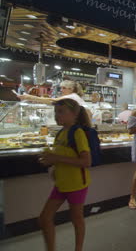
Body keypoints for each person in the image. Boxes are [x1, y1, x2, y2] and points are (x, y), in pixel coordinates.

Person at [38, 98, 91, 251]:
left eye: (61, 112)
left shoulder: (78, 133)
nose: (56, 115)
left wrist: (55, 158)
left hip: (76, 184)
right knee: (44, 218)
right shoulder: (60, 133)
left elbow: (86, 161)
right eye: (55, 112)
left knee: (77, 219)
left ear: (74, 114)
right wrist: (52, 161)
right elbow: (63, 155)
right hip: (61, 184)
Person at [18, 80, 86, 106]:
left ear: (71, 89)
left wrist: (29, 97)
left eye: (64, 88)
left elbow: (51, 101)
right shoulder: (74, 96)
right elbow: (53, 102)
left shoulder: (72, 96)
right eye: (61, 88)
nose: (61, 90)